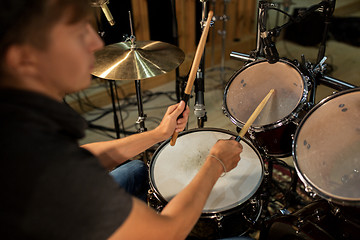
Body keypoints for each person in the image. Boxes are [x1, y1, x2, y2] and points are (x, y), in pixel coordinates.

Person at [0, 0, 243, 239]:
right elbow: (168, 232)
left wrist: (158, 133)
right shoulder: (38, 163)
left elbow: (84, 156)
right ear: (23, 58)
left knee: (137, 170)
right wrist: (215, 163)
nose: (97, 43)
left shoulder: (19, 121)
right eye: (77, 32)